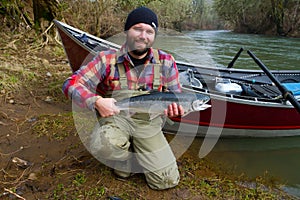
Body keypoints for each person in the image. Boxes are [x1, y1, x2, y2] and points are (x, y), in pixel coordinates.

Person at [62, 6, 184, 190]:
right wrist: (96, 101)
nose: (143, 35)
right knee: (101, 146)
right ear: (127, 30)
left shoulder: (167, 61)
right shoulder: (105, 59)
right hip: (116, 119)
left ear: (154, 36)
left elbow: (178, 99)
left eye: (149, 31)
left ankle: (140, 151)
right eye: (138, 28)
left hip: (148, 125)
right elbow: (70, 84)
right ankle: (125, 159)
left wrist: (176, 113)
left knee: (166, 181)